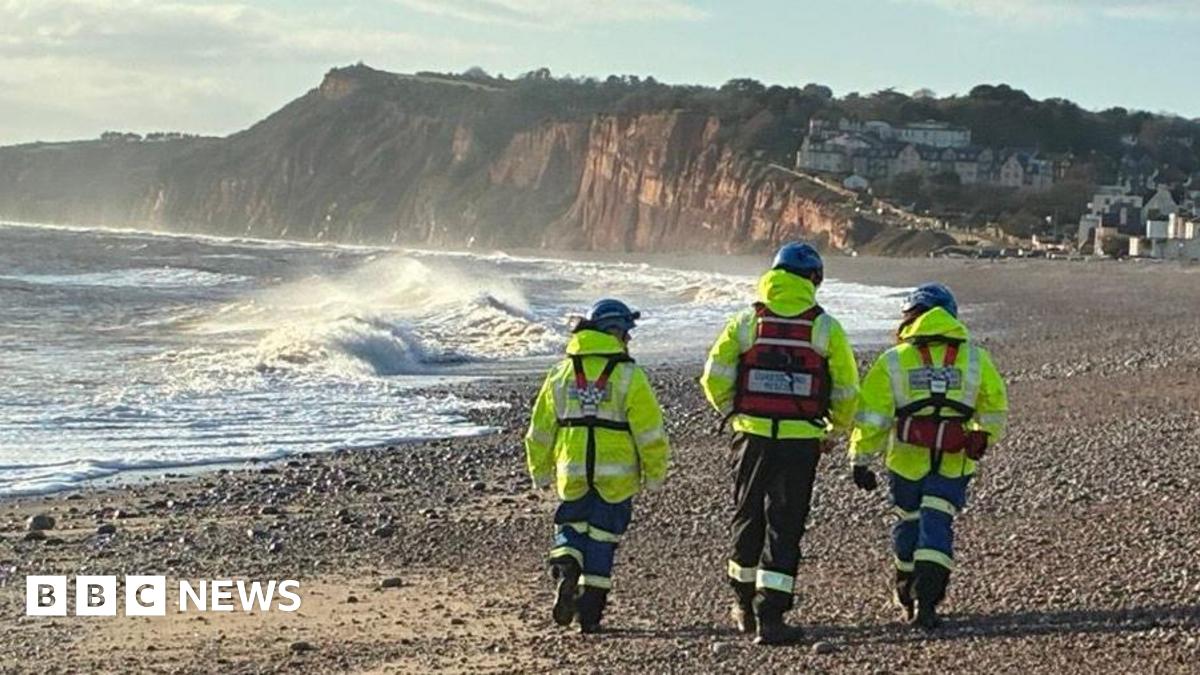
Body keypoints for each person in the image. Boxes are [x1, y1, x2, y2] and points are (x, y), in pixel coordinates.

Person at [700, 242, 859, 645]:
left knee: (747, 516)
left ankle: (741, 604)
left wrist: (733, 414)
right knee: (784, 526)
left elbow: (714, 375)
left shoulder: (746, 321)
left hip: (751, 437)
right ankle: (771, 616)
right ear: (814, 279)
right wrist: (834, 432)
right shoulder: (825, 327)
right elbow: (846, 390)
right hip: (801, 440)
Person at [849, 283, 1008, 630]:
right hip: (954, 461)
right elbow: (994, 406)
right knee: (937, 523)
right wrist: (983, 436)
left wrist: (860, 459)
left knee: (908, 522)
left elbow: (873, 416)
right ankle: (928, 604)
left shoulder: (893, 360)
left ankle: (906, 591)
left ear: (910, 318)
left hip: (906, 461)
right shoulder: (975, 358)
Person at [524, 298, 671, 634]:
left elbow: (540, 429)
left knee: (570, 526)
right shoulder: (630, 376)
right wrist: (655, 473)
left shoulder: (560, 374)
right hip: (616, 476)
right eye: (626, 334)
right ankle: (590, 614)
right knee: (603, 538)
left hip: (571, 469)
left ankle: (565, 567)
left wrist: (541, 471)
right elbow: (650, 433)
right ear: (615, 331)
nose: (629, 341)